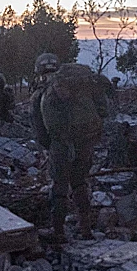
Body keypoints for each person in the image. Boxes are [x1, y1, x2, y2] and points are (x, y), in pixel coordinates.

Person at [30, 53, 110, 243]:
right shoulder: (81, 84)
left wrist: (54, 146)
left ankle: (58, 232)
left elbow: (40, 131)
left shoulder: (42, 92)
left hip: (61, 144)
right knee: (80, 182)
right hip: (86, 141)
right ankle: (86, 229)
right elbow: (103, 110)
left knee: (59, 187)